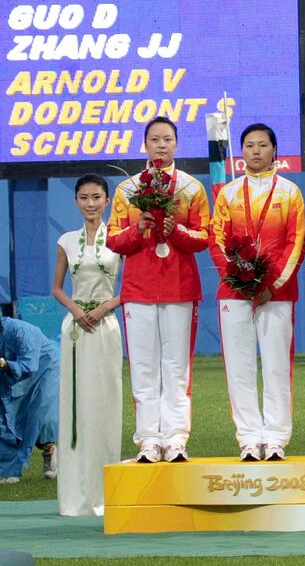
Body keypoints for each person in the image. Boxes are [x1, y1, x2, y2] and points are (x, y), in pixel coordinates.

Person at [107, 116, 210, 463]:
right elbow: (113, 240)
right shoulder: (128, 190)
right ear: (145, 144)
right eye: (154, 139)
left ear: (177, 144)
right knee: (144, 367)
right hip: (138, 289)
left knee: (177, 366)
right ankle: (149, 439)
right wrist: (141, 229)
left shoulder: (192, 189)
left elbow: (203, 237)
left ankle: (176, 438)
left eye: (167, 139)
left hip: (180, 288)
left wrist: (175, 230)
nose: (161, 145)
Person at [210, 124, 305, 462]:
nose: (255, 151)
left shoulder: (290, 192)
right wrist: (239, 280)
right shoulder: (228, 194)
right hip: (234, 293)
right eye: (249, 145)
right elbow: (216, 240)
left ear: (274, 150)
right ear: (242, 152)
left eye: (262, 145)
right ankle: (249, 437)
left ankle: (276, 437)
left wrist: (269, 284)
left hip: (276, 294)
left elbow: (296, 242)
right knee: (239, 367)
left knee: (278, 366)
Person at [50, 174, 123, 514]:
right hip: (75, 330)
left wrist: (106, 307)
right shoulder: (65, 240)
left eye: (96, 197)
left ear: (107, 200)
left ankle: (105, 492)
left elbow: (131, 285)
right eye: (83, 197)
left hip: (106, 327)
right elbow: (57, 287)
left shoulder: (121, 239)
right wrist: (76, 310)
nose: (90, 203)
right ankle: (75, 496)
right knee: (76, 406)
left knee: (104, 403)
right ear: (76, 201)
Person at [0, 316, 59, 484]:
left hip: (43, 368)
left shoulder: (20, 330)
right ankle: (9, 471)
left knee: (41, 413)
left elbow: (28, 365)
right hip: (9, 371)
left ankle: (48, 450)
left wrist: (4, 364)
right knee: (4, 415)